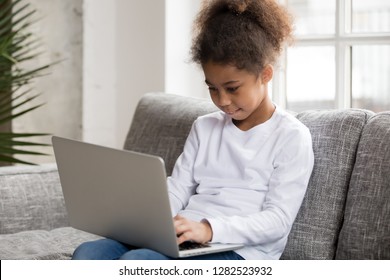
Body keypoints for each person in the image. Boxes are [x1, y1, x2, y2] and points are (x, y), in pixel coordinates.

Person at [72, 0, 314, 260]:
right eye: (212, 88)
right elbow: (178, 187)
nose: (222, 100)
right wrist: (148, 220)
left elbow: (277, 221)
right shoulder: (204, 127)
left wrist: (209, 229)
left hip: (239, 250)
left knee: (138, 262)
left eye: (232, 88)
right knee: (89, 252)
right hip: (186, 236)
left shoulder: (291, 136)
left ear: (265, 75)